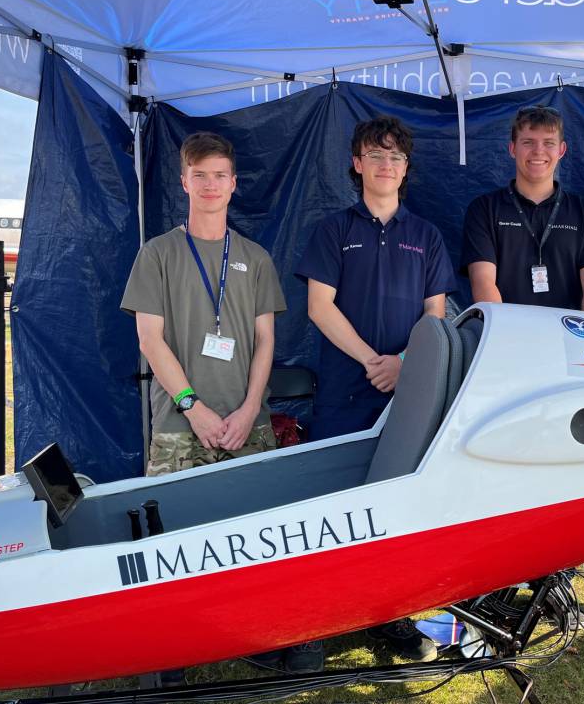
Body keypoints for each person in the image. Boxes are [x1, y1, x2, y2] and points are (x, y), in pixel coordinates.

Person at [295, 115, 457, 666]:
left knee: (397, 510)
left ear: (406, 169)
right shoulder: (334, 230)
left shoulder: (426, 237)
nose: (386, 165)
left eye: (396, 157)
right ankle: (314, 623)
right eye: (375, 154)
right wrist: (372, 361)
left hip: (406, 398)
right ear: (357, 163)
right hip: (345, 392)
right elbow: (320, 307)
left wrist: (405, 365)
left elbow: (437, 320)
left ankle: (390, 616)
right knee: (330, 509)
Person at [121, 131, 286, 474]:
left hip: (247, 426)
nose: (210, 185)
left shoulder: (256, 258)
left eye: (219, 175)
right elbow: (149, 339)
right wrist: (193, 408)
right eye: (200, 175)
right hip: (177, 426)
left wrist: (251, 408)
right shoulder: (156, 254)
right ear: (184, 182)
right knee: (177, 521)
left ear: (233, 183)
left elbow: (265, 339)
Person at [462, 105, 584, 313]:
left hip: (567, 337)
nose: (538, 151)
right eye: (528, 142)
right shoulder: (484, 209)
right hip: (508, 335)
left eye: (548, 143)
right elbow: (482, 281)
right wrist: (509, 335)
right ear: (513, 148)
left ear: (561, 150)